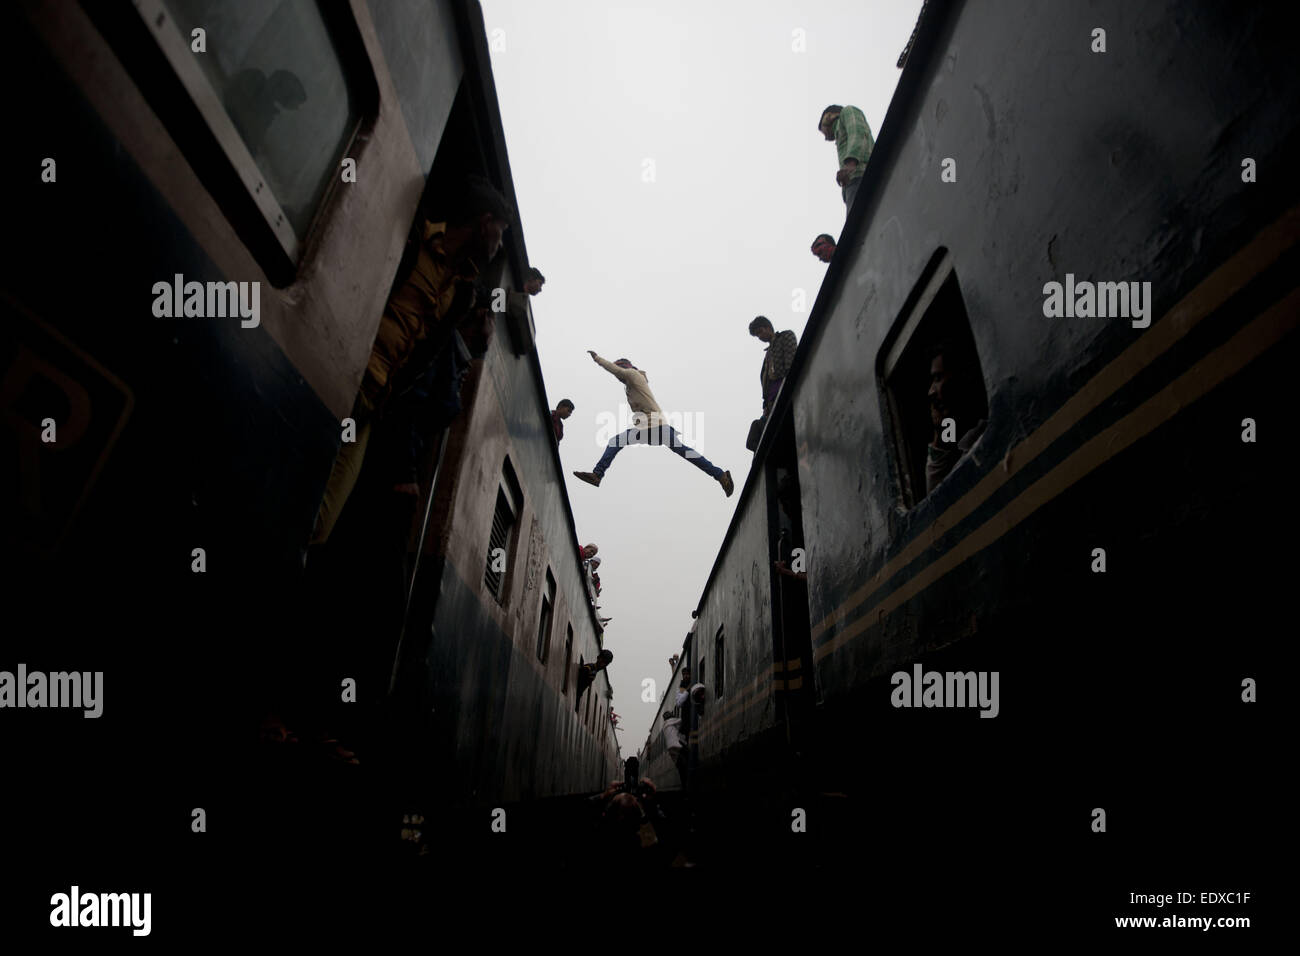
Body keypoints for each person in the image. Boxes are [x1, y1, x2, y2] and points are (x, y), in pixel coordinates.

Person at [310, 176, 512, 546]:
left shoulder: (462, 293)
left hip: (371, 405)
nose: (499, 245)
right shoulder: (413, 234)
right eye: (500, 232)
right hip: (333, 374)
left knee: (319, 526)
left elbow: (422, 358)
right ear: (484, 223)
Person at [572, 352, 733, 496]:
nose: (618, 378)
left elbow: (617, 370)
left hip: (655, 426)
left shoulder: (633, 375)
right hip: (653, 427)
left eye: (619, 374)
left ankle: (597, 475)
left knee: (617, 441)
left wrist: (598, 359)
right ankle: (720, 475)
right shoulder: (631, 386)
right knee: (685, 451)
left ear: (625, 367)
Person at [925, 340, 987, 494]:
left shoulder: (984, 435)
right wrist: (940, 433)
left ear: (962, 377)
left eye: (938, 378)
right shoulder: (959, 435)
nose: (931, 392)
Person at [817, 105, 874, 211]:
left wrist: (850, 164)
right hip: (851, 185)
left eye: (823, 131)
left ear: (827, 117)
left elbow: (857, 133)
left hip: (859, 177)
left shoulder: (847, 112)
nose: (826, 138)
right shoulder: (839, 133)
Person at [749, 317, 798, 419]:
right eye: (757, 335)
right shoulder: (767, 356)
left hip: (785, 392)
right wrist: (766, 406)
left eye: (760, 331)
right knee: (756, 427)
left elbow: (792, 363)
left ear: (768, 327)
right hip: (771, 404)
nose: (760, 336)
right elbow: (766, 385)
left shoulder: (785, 336)